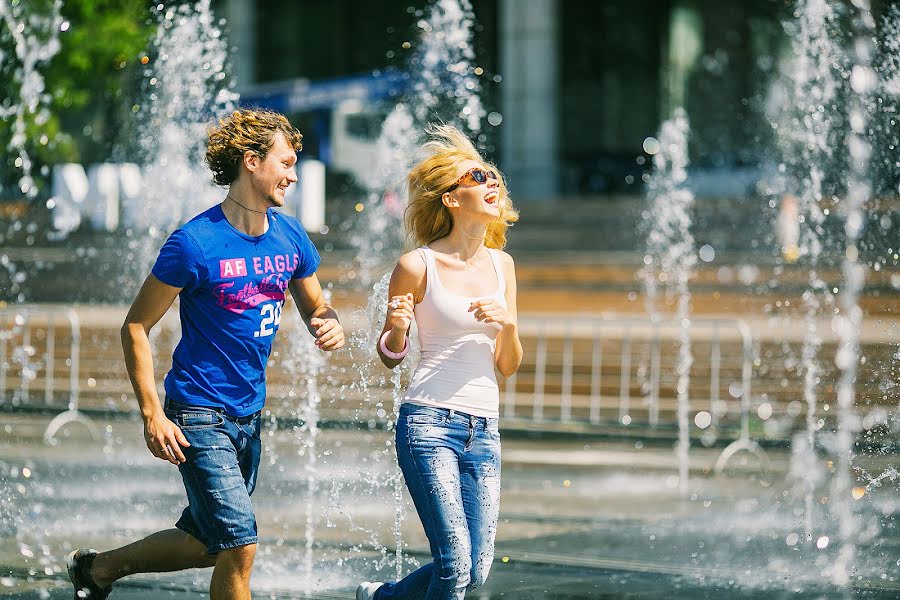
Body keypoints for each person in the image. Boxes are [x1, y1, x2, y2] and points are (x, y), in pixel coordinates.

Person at [66, 108, 345, 600]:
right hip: (198, 412)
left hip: (248, 414)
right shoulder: (194, 243)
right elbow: (135, 326)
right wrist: (153, 414)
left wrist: (328, 323)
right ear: (252, 161)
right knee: (240, 544)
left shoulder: (290, 235)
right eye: (285, 162)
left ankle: (98, 569)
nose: (294, 173)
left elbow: (317, 305)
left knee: (206, 544)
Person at [357, 125, 522, 600]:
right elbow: (390, 358)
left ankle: (382, 598)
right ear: (451, 199)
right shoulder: (417, 265)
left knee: (476, 570)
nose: (493, 184)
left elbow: (508, 365)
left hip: (484, 429)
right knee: (453, 566)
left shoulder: (502, 265)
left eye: (494, 177)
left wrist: (507, 325)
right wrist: (397, 329)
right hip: (429, 424)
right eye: (478, 177)